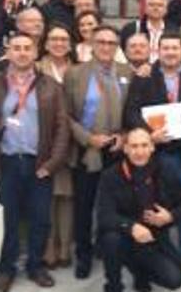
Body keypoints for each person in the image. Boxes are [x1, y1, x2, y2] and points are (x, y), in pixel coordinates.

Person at [0, 33, 71, 292]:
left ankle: (36, 266)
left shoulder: (50, 87)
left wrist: (52, 163)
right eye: (17, 48)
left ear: (36, 52)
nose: (23, 53)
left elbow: (62, 128)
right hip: (5, 163)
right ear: (8, 52)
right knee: (7, 219)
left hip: (39, 164)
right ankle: (6, 269)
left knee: (40, 219)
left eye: (28, 48)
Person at [124, 32, 181, 275]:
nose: (171, 52)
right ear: (158, 51)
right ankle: (156, 250)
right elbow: (131, 113)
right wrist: (147, 135)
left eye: (175, 48)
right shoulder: (144, 77)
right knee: (151, 203)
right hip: (154, 155)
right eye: (166, 48)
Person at [64, 25, 134, 279]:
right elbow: (66, 115)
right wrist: (88, 138)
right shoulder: (75, 74)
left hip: (117, 152)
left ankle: (110, 249)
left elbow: (133, 111)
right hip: (87, 152)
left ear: (117, 48)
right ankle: (83, 255)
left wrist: (124, 136)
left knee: (115, 205)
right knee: (84, 206)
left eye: (111, 43)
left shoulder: (127, 73)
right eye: (101, 42)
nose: (106, 47)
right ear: (92, 44)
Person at [96, 127, 181, 292]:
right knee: (110, 239)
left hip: (153, 238)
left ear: (152, 147)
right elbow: (104, 216)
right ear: (126, 148)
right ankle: (113, 285)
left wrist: (170, 216)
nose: (139, 152)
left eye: (144, 145)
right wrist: (131, 227)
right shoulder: (110, 175)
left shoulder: (166, 170)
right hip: (122, 237)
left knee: (175, 279)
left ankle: (140, 273)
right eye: (134, 146)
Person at [36, 24, 77, 270]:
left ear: (70, 44)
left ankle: (65, 248)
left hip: (72, 141)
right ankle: (49, 246)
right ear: (46, 42)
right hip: (43, 142)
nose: (59, 43)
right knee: (46, 196)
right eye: (54, 39)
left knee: (67, 196)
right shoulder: (36, 67)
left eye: (64, 39)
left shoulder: (79, 69)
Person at [120, 0, 172, 64]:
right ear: (145, 8)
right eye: (151, 5)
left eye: (160, 5)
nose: (155, 8)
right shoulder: (131, 29)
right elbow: (121, 54)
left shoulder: (173, 31)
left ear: (166, 9)